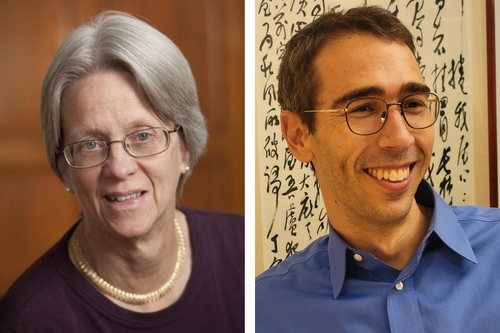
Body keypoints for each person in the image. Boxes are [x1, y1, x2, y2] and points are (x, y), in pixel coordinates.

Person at [255, 5, 500, 332]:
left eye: (413, 104)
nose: (400, 138)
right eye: (363, 108)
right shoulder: (264, 310)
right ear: (298, 136)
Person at [0, 11, 243, 332]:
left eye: (142, 136)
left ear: (185, 147)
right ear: (64, 168)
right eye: (90, 144)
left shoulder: (245, 255)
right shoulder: (29, 320)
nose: (119, 167)